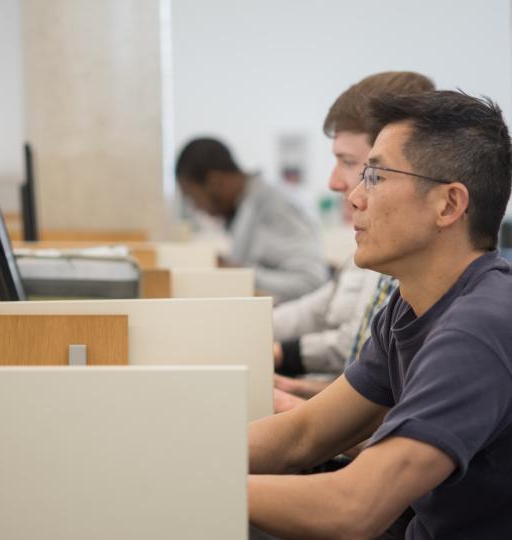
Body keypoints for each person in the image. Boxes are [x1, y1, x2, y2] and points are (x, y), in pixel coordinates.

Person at [249, 90, 512, 539]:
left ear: (448, 205)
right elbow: (304, 435)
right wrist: (194, 457)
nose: (353, 196)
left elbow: (353, 507)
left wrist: (194, 483)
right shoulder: (407, 306)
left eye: (374, 176)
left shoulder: (479, 328)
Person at [273, 72, 434, 403]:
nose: (336, 184)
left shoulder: (440, 292)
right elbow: (373, 398)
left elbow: (405, 433)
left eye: (350, 163)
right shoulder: (380, 262)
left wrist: (298, 405)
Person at [175, 138, 328, 303]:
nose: (196, 208)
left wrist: (238, 275)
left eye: (193, 198)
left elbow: (311, 282)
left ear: (214, 182)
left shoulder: (274, 206)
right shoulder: (245, 205)